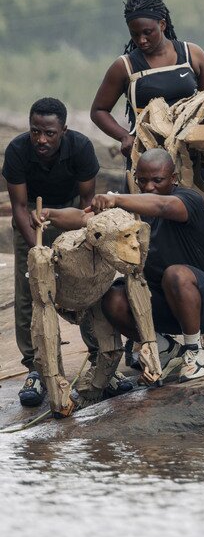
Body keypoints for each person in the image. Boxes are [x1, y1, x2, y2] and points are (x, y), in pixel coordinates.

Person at [42, 148, 204, 383]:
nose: (149, 186)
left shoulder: (188, 200)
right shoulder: (131, 211)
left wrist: (117, 199)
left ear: (174, 179)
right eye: (142, 181)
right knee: (113, 297)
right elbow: (83, 217)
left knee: (175, 275)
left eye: (157, 180)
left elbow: (162, 206)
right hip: (162, 307)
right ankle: (166, 350)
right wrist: (47, 214)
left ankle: (195, 352)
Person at [5, 98, 105, 407]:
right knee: (30, 294)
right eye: (35, 131)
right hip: (31, 223)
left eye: (49, 133)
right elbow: (20, 207)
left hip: (71, 217)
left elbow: (88, 204)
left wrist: (74, 235)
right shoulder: (18, 151)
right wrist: (38, 250)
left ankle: (101, 362)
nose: (41, 140)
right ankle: (36, 369)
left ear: (63, 129)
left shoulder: (81, 148)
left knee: (87, 288)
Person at [90, 0, 204, 163]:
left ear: (162, 24)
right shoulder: (125, 66)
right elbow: (98, 111)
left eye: (148, 32)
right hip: (146, 158)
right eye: (135, 34)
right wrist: (124, 137)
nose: (141, 40)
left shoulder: (192, 54)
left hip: (191, 156)